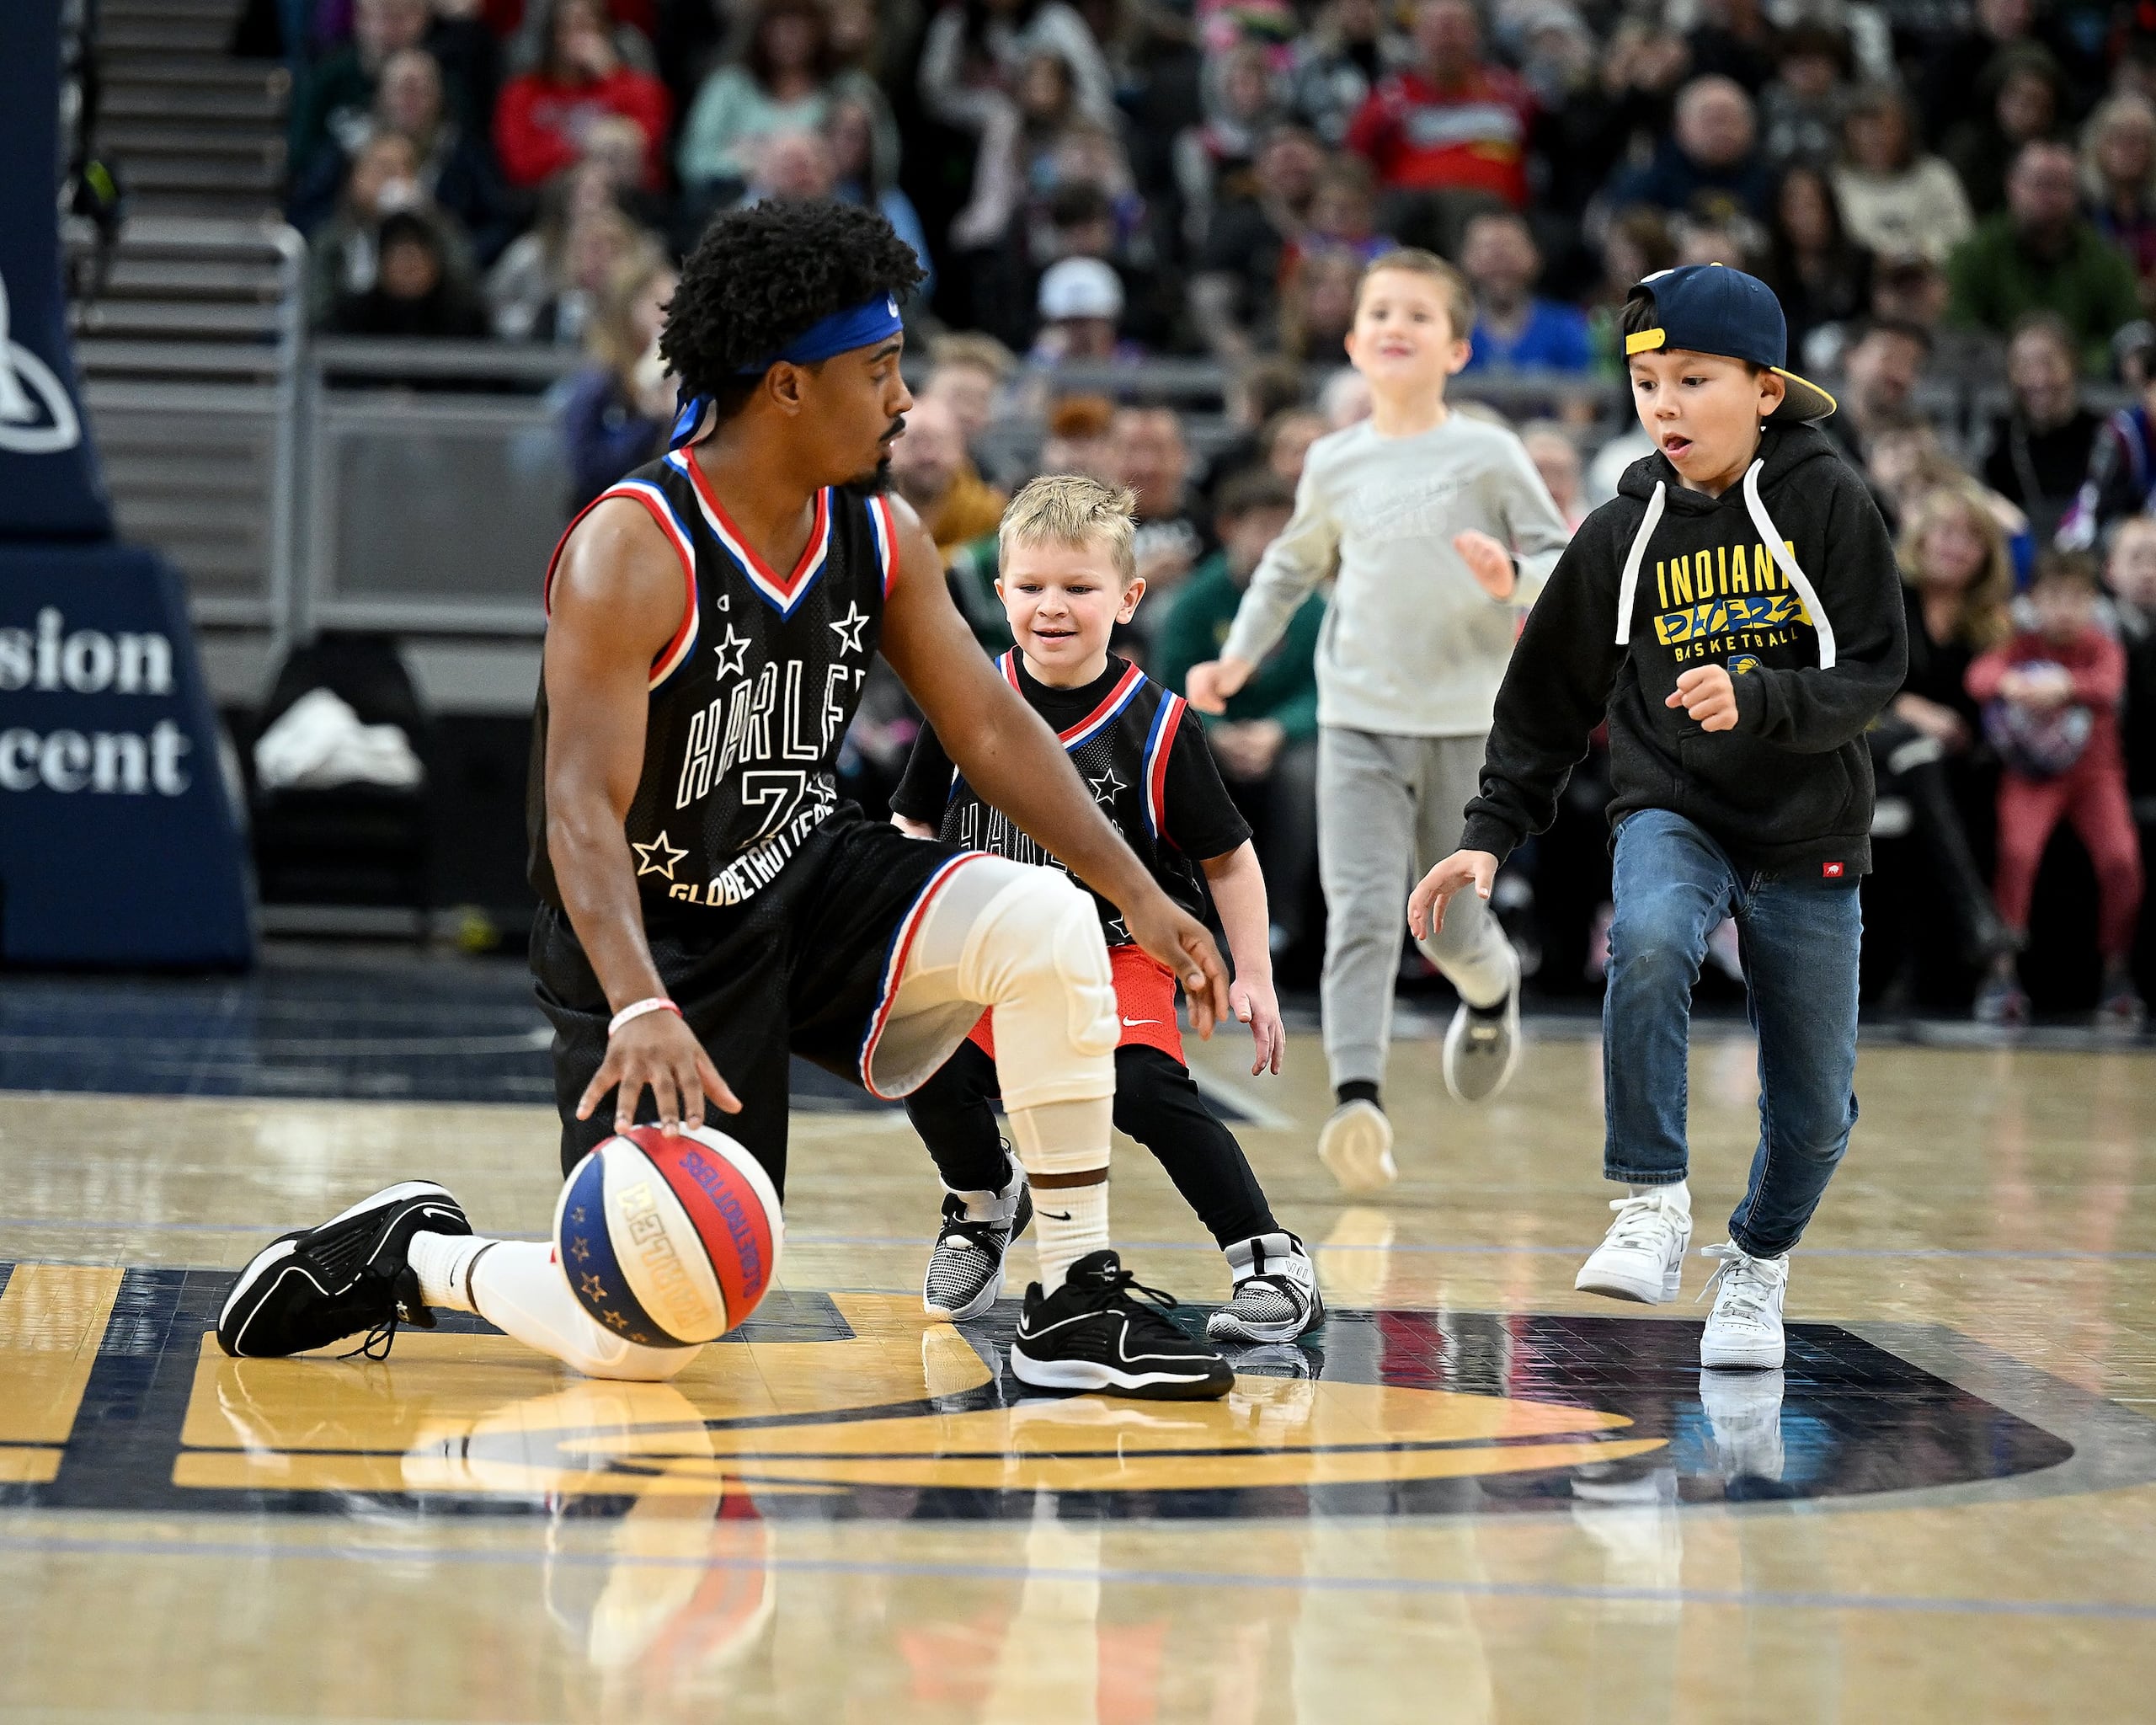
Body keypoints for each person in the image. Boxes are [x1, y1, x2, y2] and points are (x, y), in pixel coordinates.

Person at [216, 200, 1239, 1402]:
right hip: (653, 944)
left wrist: (1137, 890)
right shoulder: (632, 549)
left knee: (1045, 917)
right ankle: (417, 1257)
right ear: (789, 388)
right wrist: (639, 999)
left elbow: (992, 723)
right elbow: (580, 816)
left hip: (808, 875)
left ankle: (1071, 1295)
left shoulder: (880, 531)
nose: (905, 403)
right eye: (880, 370)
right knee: (647, 1331)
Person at [1412, 264, 1906, 1371]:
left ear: (1767, 390)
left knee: (1819, 1113)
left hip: (1809, 827)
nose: (1666, 406)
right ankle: (1651, 1201)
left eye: (1694, 380)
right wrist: (1486, 835)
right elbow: (1544, 702)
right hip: (1672, 804)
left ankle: (1758, 1262)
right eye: (1646, 383)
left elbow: (1874, 668)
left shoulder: (1827, 502)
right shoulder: (1622, 528)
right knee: (1642, 940)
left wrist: (1765, 697)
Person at [887, 475, 1320, 1343]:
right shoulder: (965, 700)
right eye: (1034, 586)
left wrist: (1255, 975)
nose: (1054, 606)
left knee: (1143, 1089)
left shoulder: (1159, 725)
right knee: (911, 1057)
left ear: (1126, 599)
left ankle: (1269, 1256)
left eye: (1078, 588)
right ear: (1002, 592)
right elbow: (911, 821)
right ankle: (981, 1200)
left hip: (1113, 953)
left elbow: (1228, 859)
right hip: (985, 957)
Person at [1187, 249, 1570, 1194]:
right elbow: (1285, 566)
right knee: (1360, 910)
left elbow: (1566, 560)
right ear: (1354, 341)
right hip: (1356, 717)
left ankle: (1489, 985)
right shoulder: (1334, 459)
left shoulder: (1487, 453)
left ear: (1457, 347)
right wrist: (1239, 655)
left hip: (1463, 724)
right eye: (1379, 312)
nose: (1396, 325)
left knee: (1442, 925)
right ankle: (1358, 1102)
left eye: (1418, 314)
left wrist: (1509, 580)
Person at [1967, 551, 2147, 1027]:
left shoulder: (2101, 645)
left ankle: (2117, 974)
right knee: (2017, 854)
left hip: (2095, 778)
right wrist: (2013, 682)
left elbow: (2107, 686)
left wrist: (2063, 685)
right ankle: (2001, 974)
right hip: (2030, 777)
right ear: (2034, 601)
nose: (2064, 609)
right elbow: (1979, 677)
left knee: (2121, 861)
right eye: (2053, 598)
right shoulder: (2019, 642)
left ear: (2093, 602)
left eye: (2076, 598)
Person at [1157, 469, 1325, 963]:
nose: (1276, 541)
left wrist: (1278, 731)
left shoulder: (1310, 605)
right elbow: (1169, 684)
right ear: (1230, 528)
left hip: (1284, 740)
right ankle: (1195, 917)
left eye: (1286, 528)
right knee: (1184, 768)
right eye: (1265, 526)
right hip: (1208, 735)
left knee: (1305, 776)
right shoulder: (1192, 603)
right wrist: (1216, 732)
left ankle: (1282, 922)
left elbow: (1324, 686)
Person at [1946, 140, 2143, 372]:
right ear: (2012, 185)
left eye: (2061, 187)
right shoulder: (1974, 254)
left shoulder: (2107, 258)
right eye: (2040, 184)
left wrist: (2070, 361)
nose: (2049, 197)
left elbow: (2130, 332)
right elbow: (1958, 329)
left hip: (2085, 389)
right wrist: (2023, 361)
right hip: (1995, 389)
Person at [676, 0, 896, 200]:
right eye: (779, 23)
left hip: (836, 205)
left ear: (820, 28)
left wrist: (828, 164)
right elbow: (692, 163)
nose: (789, 35)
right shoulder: (729, 86)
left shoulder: (850, 87)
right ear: (761, 28)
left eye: (800, 23)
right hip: (741, 207)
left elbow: (884, 161)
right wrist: (756, 165)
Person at [1344, 0, 1534, 209]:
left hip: (1500, 217)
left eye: (1455, 26)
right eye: (1435, 27)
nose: (1446, 37)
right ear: (1416, 36)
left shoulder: (1512, 93)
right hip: (1419, 222)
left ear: (1475, 33)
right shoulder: (1389, 101)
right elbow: (1354, 165)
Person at [494, 0, 670, 192]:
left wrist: (610, 75)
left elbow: (648, 138)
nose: (581, 39)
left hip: (623, 198)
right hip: (549, 199)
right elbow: (521, 164)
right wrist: (587, 146)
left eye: (590, 27)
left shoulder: (628, 84)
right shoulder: (523, 93)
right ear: (551, 34)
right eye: (570, 27)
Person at [558, 250, 677, 512]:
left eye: (675, 303)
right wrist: (647, 420)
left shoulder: (685, 374)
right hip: (607, 515)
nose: (668, 316)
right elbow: (589, 468)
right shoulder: (599, 381)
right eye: (658, 303)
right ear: (627, 310)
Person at [1981, 312, 2100, 545]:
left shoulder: (2107, 437)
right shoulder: (1998, 443)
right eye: (2023, 365)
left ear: (2073, 364)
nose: (2038, 379)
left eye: (2048, 362)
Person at [1829, 83, 1974, 267]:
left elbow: (1961, 238)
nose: (1874, 139)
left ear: (1906, 129)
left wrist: (1918, 255)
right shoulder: (1836, 183)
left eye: (1884, 128)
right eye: (1864, 131)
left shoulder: (1936, 175)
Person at [1604, 74, 1774, 223]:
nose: (1722, 130)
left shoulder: (1772, 181)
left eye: (1731, 120)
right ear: (1681, 126)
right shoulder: (1647, 180)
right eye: (1711, 120)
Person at [1457, 209, 1593, 374]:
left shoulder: (1567, 326)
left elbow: (1584, 392)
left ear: (1535, 256)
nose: (1499, 263)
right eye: (1487, 249)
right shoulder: (1452, 330)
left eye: (1510, 248)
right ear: (1464, 258)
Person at [327, 206, 489, 338]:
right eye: (399, 257)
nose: (409, 266)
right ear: (381, 264)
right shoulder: (354, 318)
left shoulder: (466, 319)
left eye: (416, 256)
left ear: (435, 261)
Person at [886, 394, 1007, 563]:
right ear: (891, 451)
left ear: (960, 450)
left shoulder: (990, 514)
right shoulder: (874, 516)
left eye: (938, 442)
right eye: (914, 443)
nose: (927, 456)